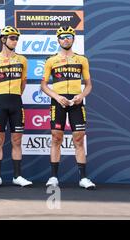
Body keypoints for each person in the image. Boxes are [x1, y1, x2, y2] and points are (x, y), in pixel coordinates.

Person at [41, 26, 95, 190]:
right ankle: (54, 177)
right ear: (58, 40)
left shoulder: (82, 59)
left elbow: (89, 85)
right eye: (63, 37)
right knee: (56, 138)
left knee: (79, 139)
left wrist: (81, 96)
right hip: (59, 101)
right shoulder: (51, 60)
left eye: (69, 36)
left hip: (76, 102)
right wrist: (57, 97)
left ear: (73, 39)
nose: (66, 39)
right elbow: (43, 85)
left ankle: (83, 178)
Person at [0, 26, 33, 187]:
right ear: (3, 39)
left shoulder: (23, 60)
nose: (15, 41)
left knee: (17, 140)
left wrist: (14, 95)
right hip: (0, 102)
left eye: (16, 38)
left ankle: (17, 176)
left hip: (16, 102)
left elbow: (23, 83)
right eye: (12, 38)